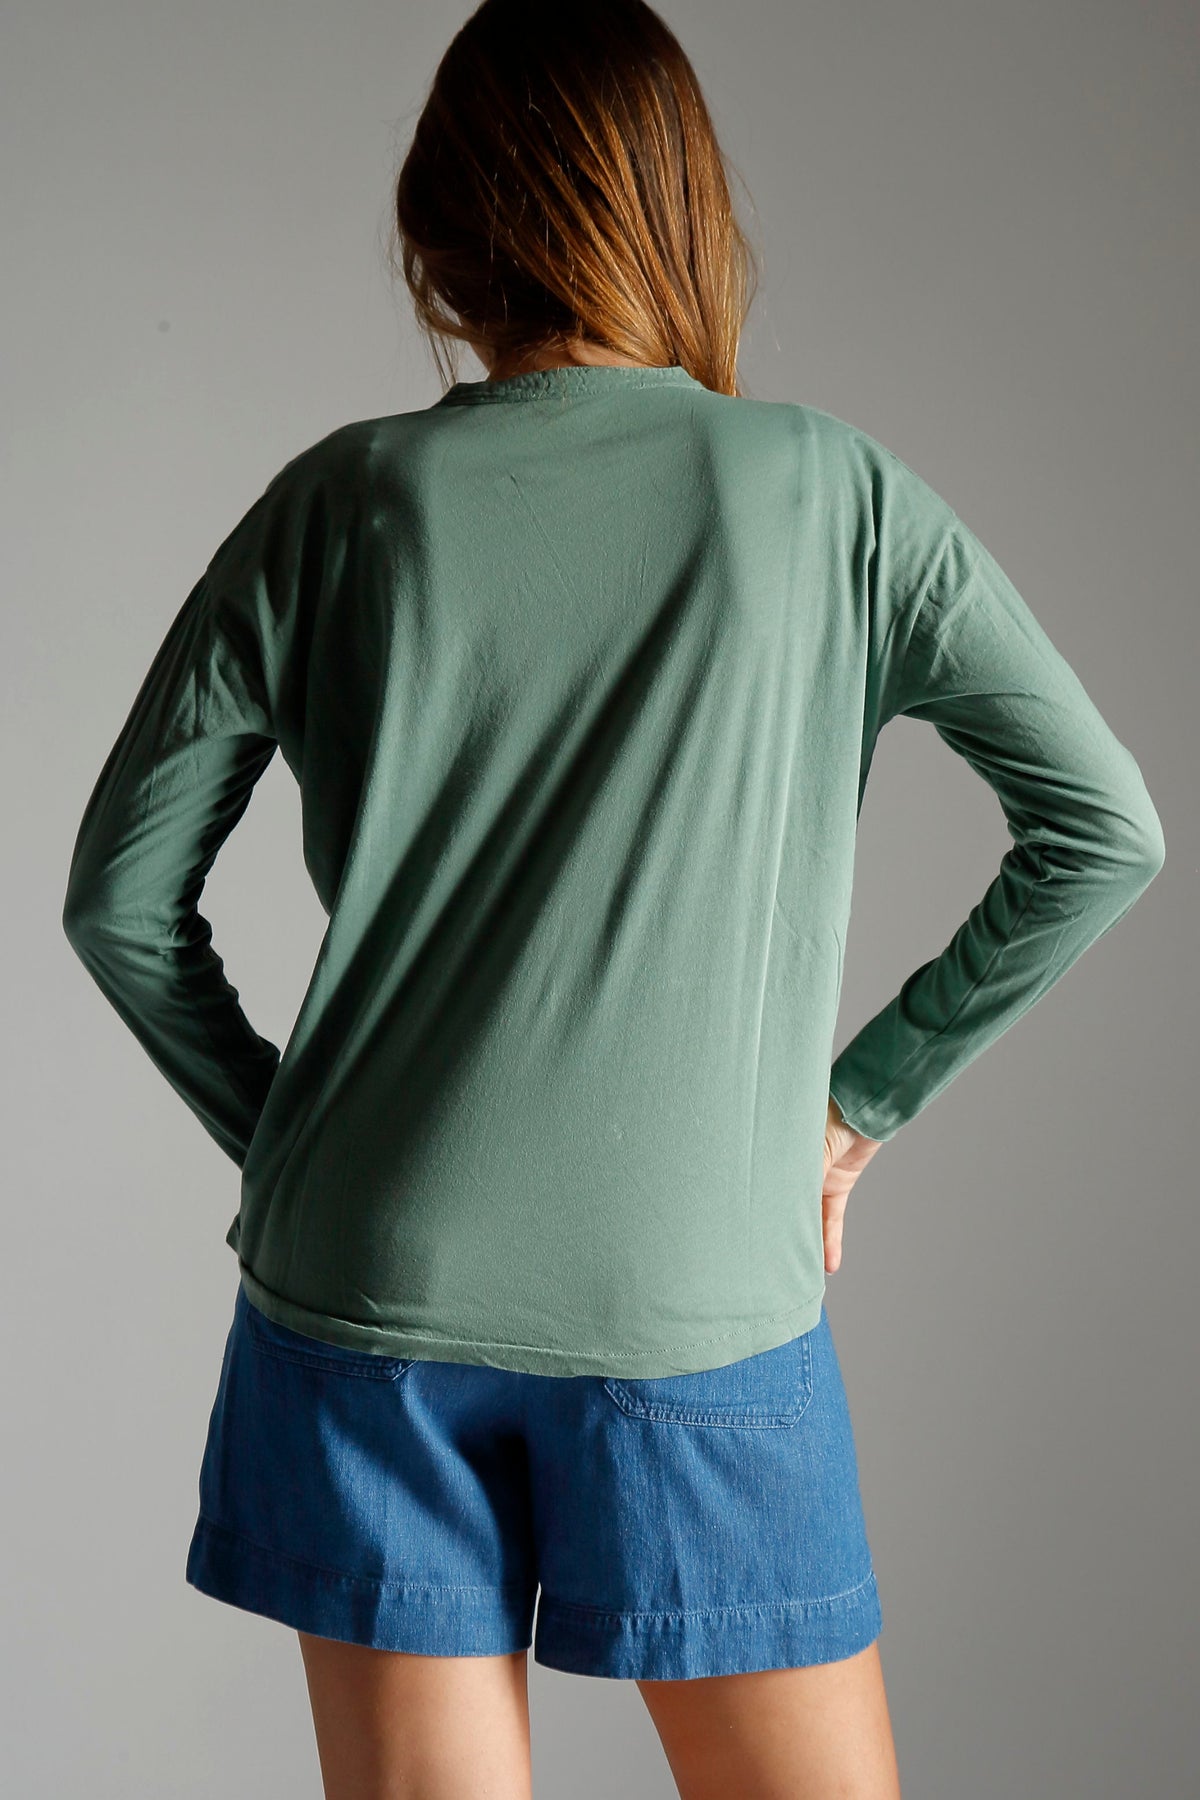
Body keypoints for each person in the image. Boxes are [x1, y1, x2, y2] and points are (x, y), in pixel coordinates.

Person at [60, 2, 1165, 1796]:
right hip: (696, 1288)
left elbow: (117, 902)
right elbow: (1103, 829)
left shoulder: (337, 505)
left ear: (439, 231)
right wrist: (857, 1105)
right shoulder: (833, 494)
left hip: (367, 1290)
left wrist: (304, 1150)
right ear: (687, 217)